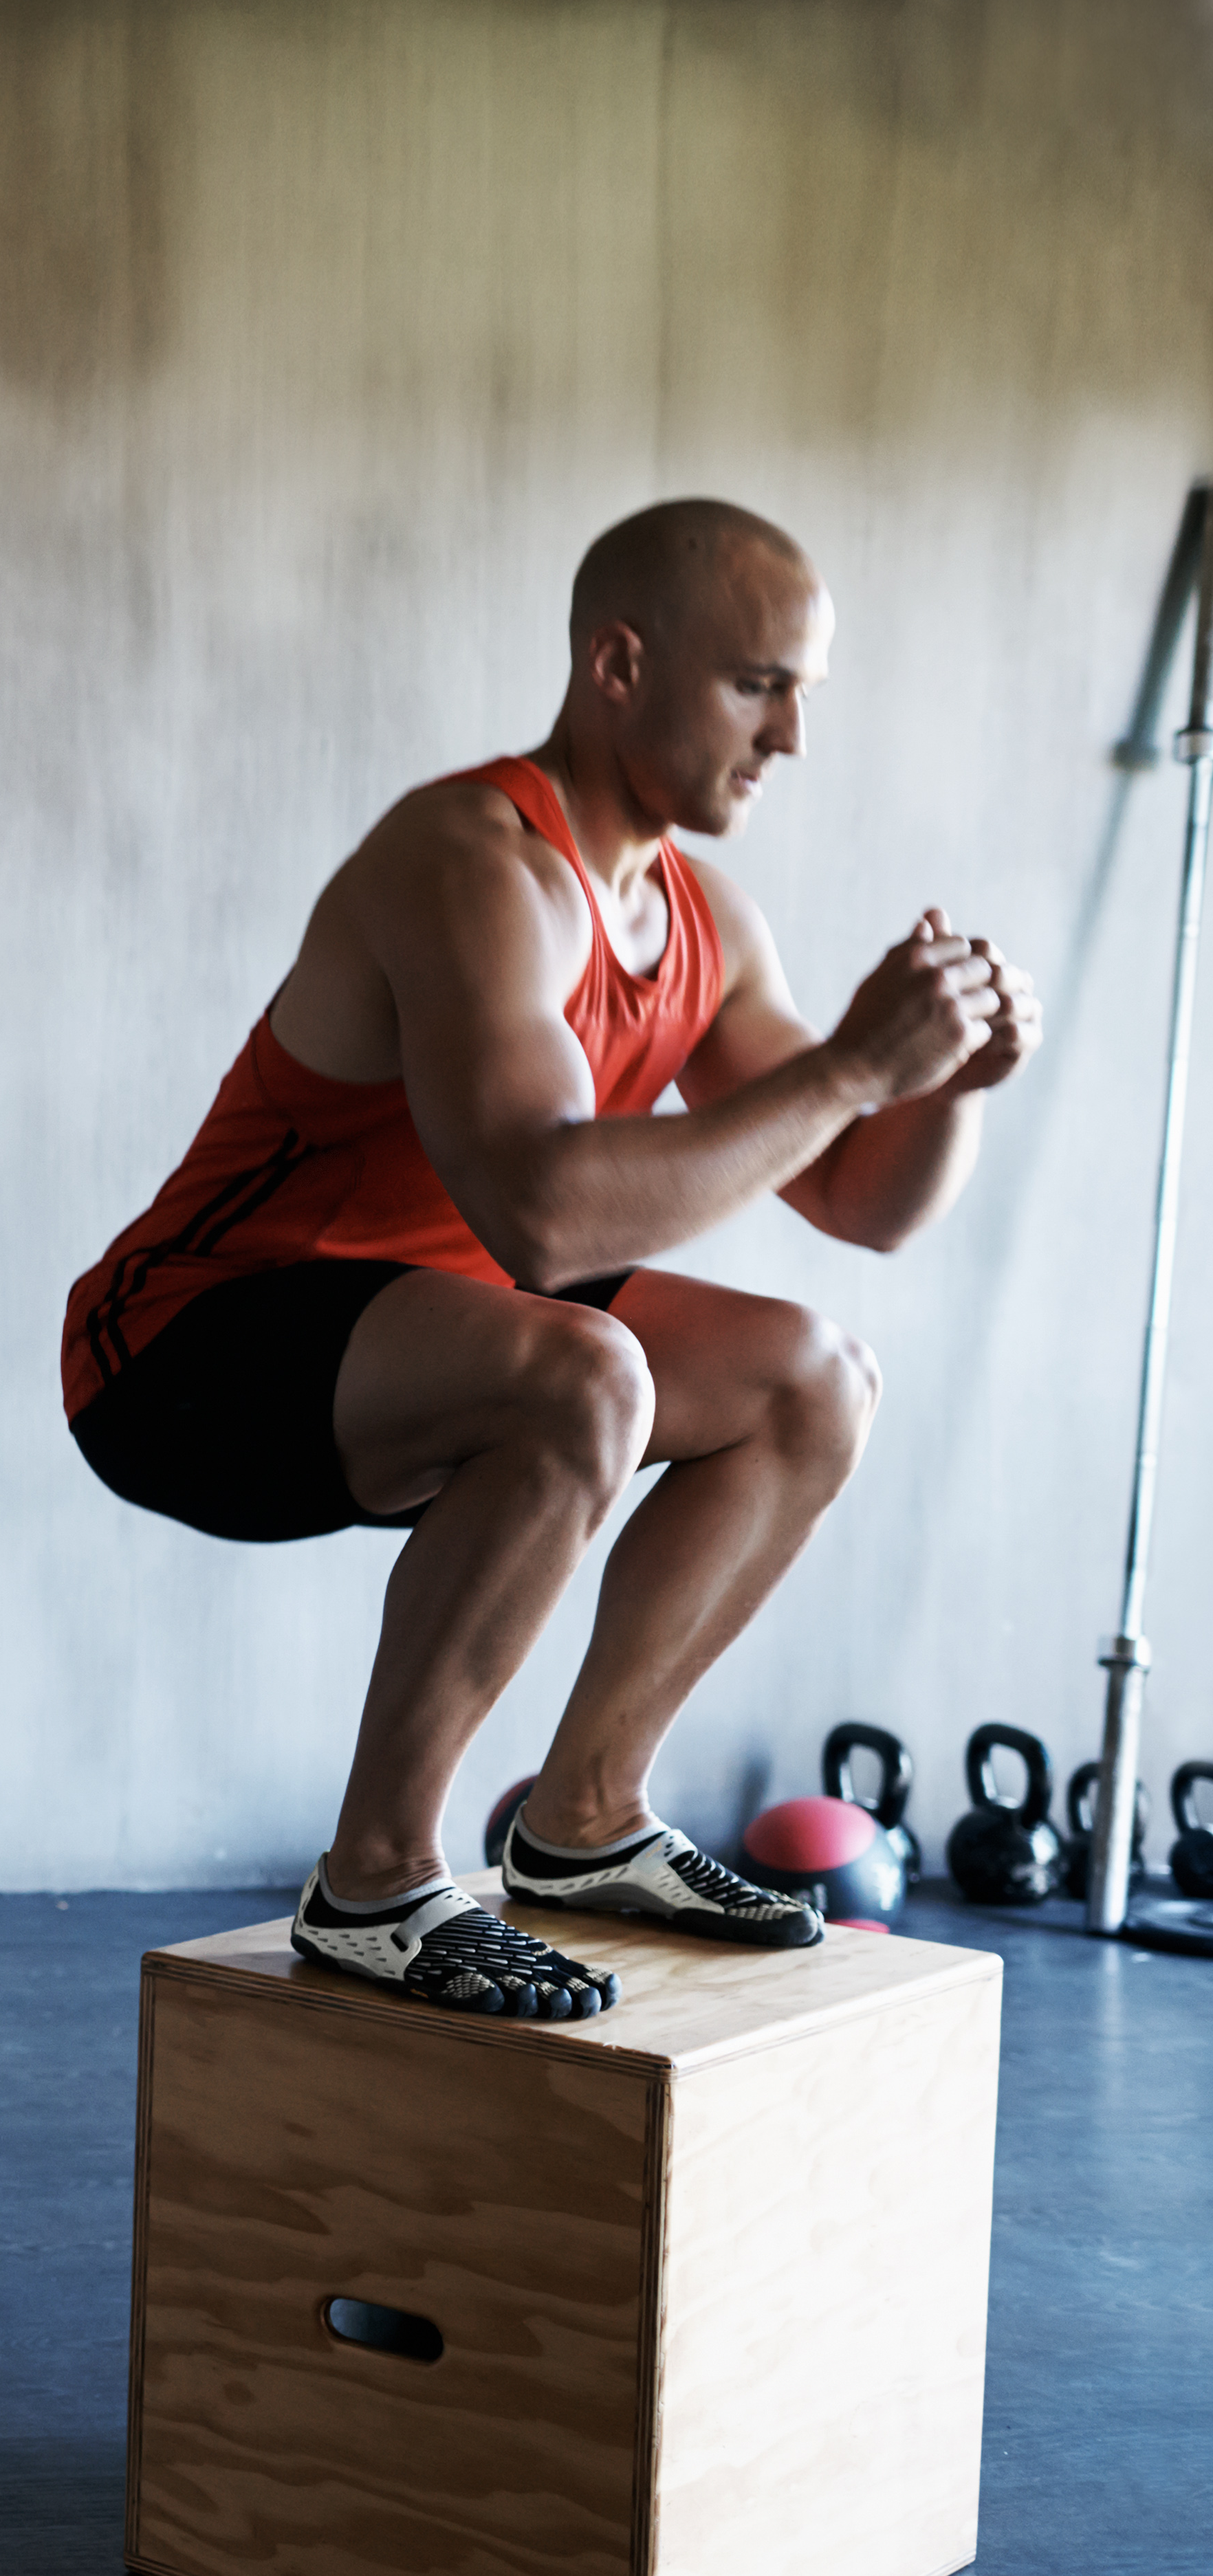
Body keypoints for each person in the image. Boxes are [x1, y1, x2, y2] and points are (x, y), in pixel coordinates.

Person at [61, 500, 1038, 2020]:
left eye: (803, 694)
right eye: (757, 685)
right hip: (187, 1350)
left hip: (440, 1331)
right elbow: (546, 1217)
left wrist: (945, 1079)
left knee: (813, 1380)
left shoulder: (702, 915)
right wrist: (854, 1066)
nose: (788, 736)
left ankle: (584, 1818)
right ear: (619, 664)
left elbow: (863, 1199)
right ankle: (377, 1879)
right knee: (588, 1374)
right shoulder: (475, 861)